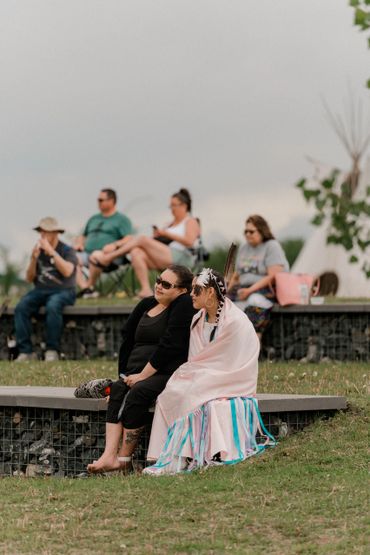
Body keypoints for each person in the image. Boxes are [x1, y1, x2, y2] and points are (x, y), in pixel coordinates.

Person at [143, 268, 274, 475]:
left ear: (211, 293)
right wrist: (192, 373)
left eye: (196, 290)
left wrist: (200, 375)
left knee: (191, 392)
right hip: (206, 374)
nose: (191, 294)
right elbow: (197, 360)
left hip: (233, 377)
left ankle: (181, 458)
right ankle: (163, 456)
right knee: (170, 392)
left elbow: (234, 360)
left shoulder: (235, 322)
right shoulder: (198, 320)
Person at [87, 265, 195, 474]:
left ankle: (124, 458)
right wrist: (124, 375)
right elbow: (127, 340)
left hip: (166, 372)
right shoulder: (146, 304)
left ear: (182, 290)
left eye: (166, 284)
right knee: (118, 389)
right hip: (135, 373)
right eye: (158, 280)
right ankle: (108, 455)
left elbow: (170, 345)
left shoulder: (182, 305)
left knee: (138, 392)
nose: (159, 286)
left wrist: (143, 376)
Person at [89, 188, 200, 299]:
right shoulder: (168, 224)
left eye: (174, 205)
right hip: (165, 256)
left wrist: (166, 234)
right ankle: (146, 290)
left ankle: (109, 257)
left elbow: (189, 242)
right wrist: (158, 236)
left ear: (184, 205)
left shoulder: (190, 221)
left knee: (141, 239)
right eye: (170, 206)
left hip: (182, 257)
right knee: (136, 251)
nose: (171, 209)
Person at [14, 217, 78, 362]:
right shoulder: (39, 251)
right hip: (41, 290)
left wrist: (52, 252)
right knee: (21, 307)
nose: (42, 235)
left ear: (55, 233)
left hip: (64, 290)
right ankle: (26, 352)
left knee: (53, 305)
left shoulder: (67, 250)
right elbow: (29, 278)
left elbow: (68, 271)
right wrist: (33, 259)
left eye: (46, 232)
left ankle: (52, 350)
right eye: (41, 232)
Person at [227, 215, 289, 338]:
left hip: (266, 289)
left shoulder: (271, 246)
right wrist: (226, 290)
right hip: (243, 287)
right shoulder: (244, 248)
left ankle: (255, 341)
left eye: (251, 231)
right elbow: (237, 274)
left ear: (261, 231)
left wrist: (250, 290)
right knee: (224, 303)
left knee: (254, 302)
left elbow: (273, 276)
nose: (248, 234)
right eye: (245, 231)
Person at [74, 188, 133, 296]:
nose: (98, 202)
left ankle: (89, 287)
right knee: (71, 257)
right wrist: (79, 244)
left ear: (111, 201)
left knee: (96, 255)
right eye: (98, 200)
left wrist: (115, 245)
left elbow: (128, 239)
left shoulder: (122, 219)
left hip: (110, 257)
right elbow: (82, 235)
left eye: (101, 200)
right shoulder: (93, 218)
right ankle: (85, 288)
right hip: (87, 254)